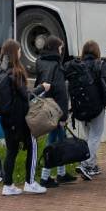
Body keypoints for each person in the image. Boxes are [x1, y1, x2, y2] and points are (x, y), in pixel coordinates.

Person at [0, 40, 42, 195]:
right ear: (15, 53)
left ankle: (7, 185)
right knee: (33, 146)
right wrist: (42, 88)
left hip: (6, 119)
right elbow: (25, 95)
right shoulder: (16, 72)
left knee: (11, 151)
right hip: (19, 119)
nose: (21, 52)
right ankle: (30, 182)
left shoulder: (1, 71)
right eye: (20, 50)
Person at [34, 36, 73, 188]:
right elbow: (61, 93)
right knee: (53, 143)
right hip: (56, 110)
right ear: (56, 49)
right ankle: (45, 177)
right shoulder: (56, 66)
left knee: (60, 140)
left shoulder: (41, 62)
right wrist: (63, 116)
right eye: (61, 48)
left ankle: (62, 173)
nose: (62, 51)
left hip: (46, 107)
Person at [72, 41, 106, 179]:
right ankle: (86, 164)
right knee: (95, 136)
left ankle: (92, 165)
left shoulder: (78, 65)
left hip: (80, 106)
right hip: (96, 106)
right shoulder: (100, 64)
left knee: (89, 136)